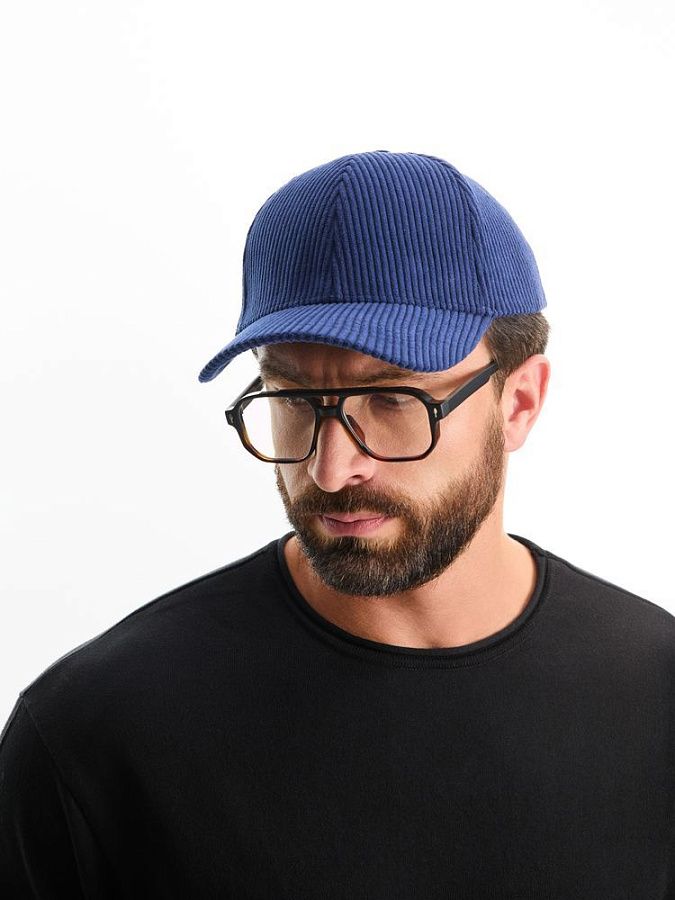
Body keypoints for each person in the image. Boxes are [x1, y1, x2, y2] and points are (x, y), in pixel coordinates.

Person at [1, 150, 673, 898]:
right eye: (292, 400)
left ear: (518, 402)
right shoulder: (96, 736)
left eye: (391, 400)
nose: (330, 469)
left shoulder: (656, 698)